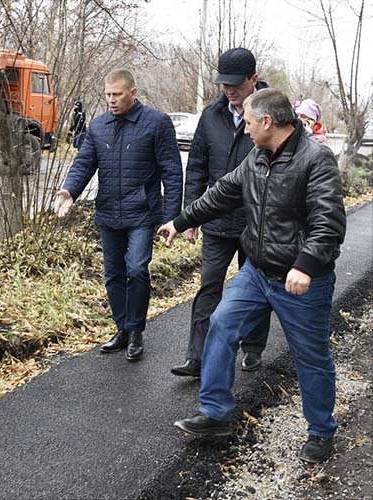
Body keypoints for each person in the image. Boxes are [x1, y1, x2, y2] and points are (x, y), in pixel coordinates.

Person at [159, 89, 346, 463]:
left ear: (267, 122)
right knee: (222, 324)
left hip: (302, 280)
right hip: (257, 272)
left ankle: (321, 431)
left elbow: (329, 223)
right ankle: (215, 413)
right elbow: (223, 193)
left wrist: (305, 265)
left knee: (311, 357)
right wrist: (180, 222)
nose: (244, 130)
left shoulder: (316, 159)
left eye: (247, 122)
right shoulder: (257, 157)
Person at [55, 69, 183, 361]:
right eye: (108, 95)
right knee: (113, 274)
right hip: (109, 211)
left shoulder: (156, 123)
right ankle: (122, 328)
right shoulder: (98, 126)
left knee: (136, 269)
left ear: (133, 93)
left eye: (117, 94)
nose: (111, 100)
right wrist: (69, 190)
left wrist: (173, 217)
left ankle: (136, 330)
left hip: (142, 212)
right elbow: (84, 163)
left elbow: (172, 172)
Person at [171, 47, 270, 378]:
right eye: (224, 84)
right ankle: (196, 356)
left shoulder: (269, 117)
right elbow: (196, 165)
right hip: (215, 220)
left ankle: (253, 348)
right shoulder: (211, 115)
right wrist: (191, 214)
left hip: (255, 222)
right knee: (209, 286)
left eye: (236, 85)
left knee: (256, 288)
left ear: (253, 80)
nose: (229, 90)